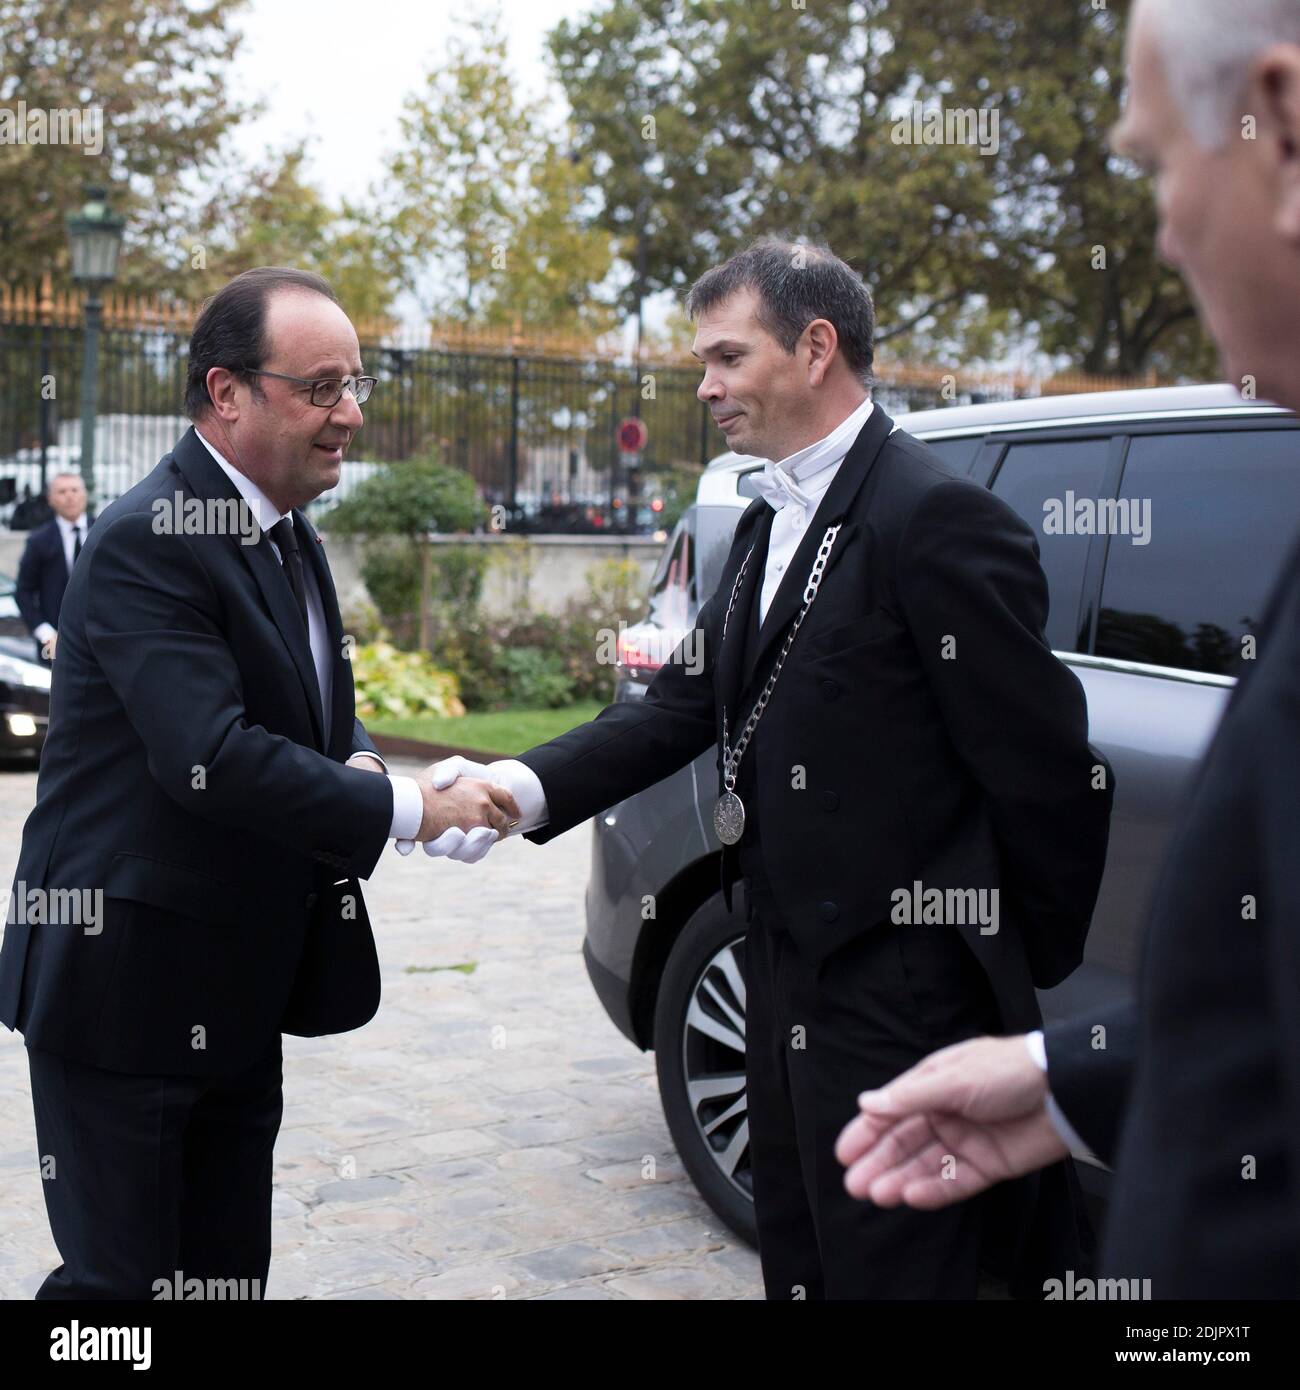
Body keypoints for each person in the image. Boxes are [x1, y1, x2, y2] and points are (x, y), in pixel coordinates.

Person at [423, 239, 1114, 1299]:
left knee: (905, 1271)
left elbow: (1049, 772)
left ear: (815, 347)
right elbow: (684, 707)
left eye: (725, 358)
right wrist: (518, 786)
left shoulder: (934, 519)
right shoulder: (759, 520)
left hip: (903, 996)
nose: (704, 387)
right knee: (798, 1253)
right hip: (773, 967)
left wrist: (995, 965)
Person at [835, 0, 1300, 1300]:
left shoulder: (934, 513)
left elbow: (1042, 765)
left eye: (1156, 164)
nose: (1159, 229)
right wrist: (1065, 1078)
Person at [0, 266, 519, 1300]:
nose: (352, 414)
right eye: (323, 387)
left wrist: (366, 759)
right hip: (124, 990)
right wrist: (411, 809)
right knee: (120, 1296)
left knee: (224, 1278)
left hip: (233, 985)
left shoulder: (286, 527)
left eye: (356, 383)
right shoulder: (153, 534)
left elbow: (306, 711)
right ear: (226, 391)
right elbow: (214, 757)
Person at [15, 471, 91, 664]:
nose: (70, 496)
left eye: (74, 490)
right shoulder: (38, 541)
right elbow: (23, 591)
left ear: (85, 494)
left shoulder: (105, 531)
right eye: (62, 491)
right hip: (54, 644)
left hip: (98, 639)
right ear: (51, 499)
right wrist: (45, 632)